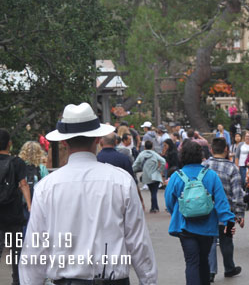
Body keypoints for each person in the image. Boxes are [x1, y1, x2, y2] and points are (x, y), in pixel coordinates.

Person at [20, 103, 157, 284]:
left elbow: (35, 250)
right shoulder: (121, 181)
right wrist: (149, 281)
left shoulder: (46, 188)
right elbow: (139, 242)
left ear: (63, 141)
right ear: (98, 138)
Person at [165, 140, 235, 285]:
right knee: (204, 260)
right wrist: (229, 220)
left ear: (182, 156)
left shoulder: (177, 176)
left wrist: (177, 213)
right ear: (201, 155)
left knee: (191, 262)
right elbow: (221, 202)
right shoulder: (211, 175)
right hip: (207, 226)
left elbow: (169, 202)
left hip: (185, 226)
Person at [205, 138, 245, 282]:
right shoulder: (232, 168)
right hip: (226, 213)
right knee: (227, 240)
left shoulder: (205, 165)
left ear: (211, 149)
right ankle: (229, 268)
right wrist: (239, 214)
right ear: (227, 150)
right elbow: (237, 193)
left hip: (207, 212)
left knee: (210, 241)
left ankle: (210, 271)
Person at [0, 129, 31, 285]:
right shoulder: (17, 162)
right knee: (16, 250)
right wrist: (30, 205)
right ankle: (16, 280)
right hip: (14, 213)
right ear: (9, 143)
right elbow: (23, 184)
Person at [133, 140, 166, 213]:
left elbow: (135, 164)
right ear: (152, 146)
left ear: (144, 147)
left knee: (152, 192)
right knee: (154, 192)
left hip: (146, 176)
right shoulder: (155, 154)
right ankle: (154, 207)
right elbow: (163, 161)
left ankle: (154, 207)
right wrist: (159, 170)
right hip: (155, 175)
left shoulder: (141, 154)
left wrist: (133, 170)